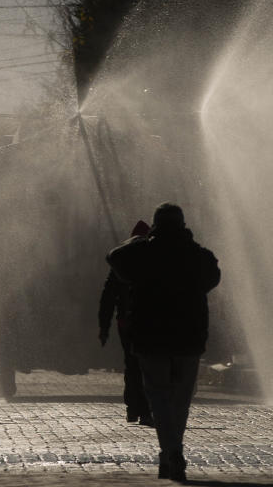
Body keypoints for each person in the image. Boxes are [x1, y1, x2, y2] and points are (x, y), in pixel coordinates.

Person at [107, 202, 220, 482]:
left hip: (150, 337)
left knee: (158, 396)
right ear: (182, 224)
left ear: (155, 225)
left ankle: (170, 452)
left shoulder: (143, 253)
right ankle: (173, 451)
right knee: (181, 399)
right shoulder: (197, 255)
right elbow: (212, 277)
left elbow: (114, 257)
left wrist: (138, 239)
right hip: (188, 338)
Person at [98, 219, 152, 426]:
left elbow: (108, 298)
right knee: (146, 365)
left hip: (125, 323)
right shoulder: (153, 261)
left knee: (131, 365)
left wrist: (104, 326)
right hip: (147, 323)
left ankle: (132, 408)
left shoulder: (120, 263)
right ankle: (145, 409)